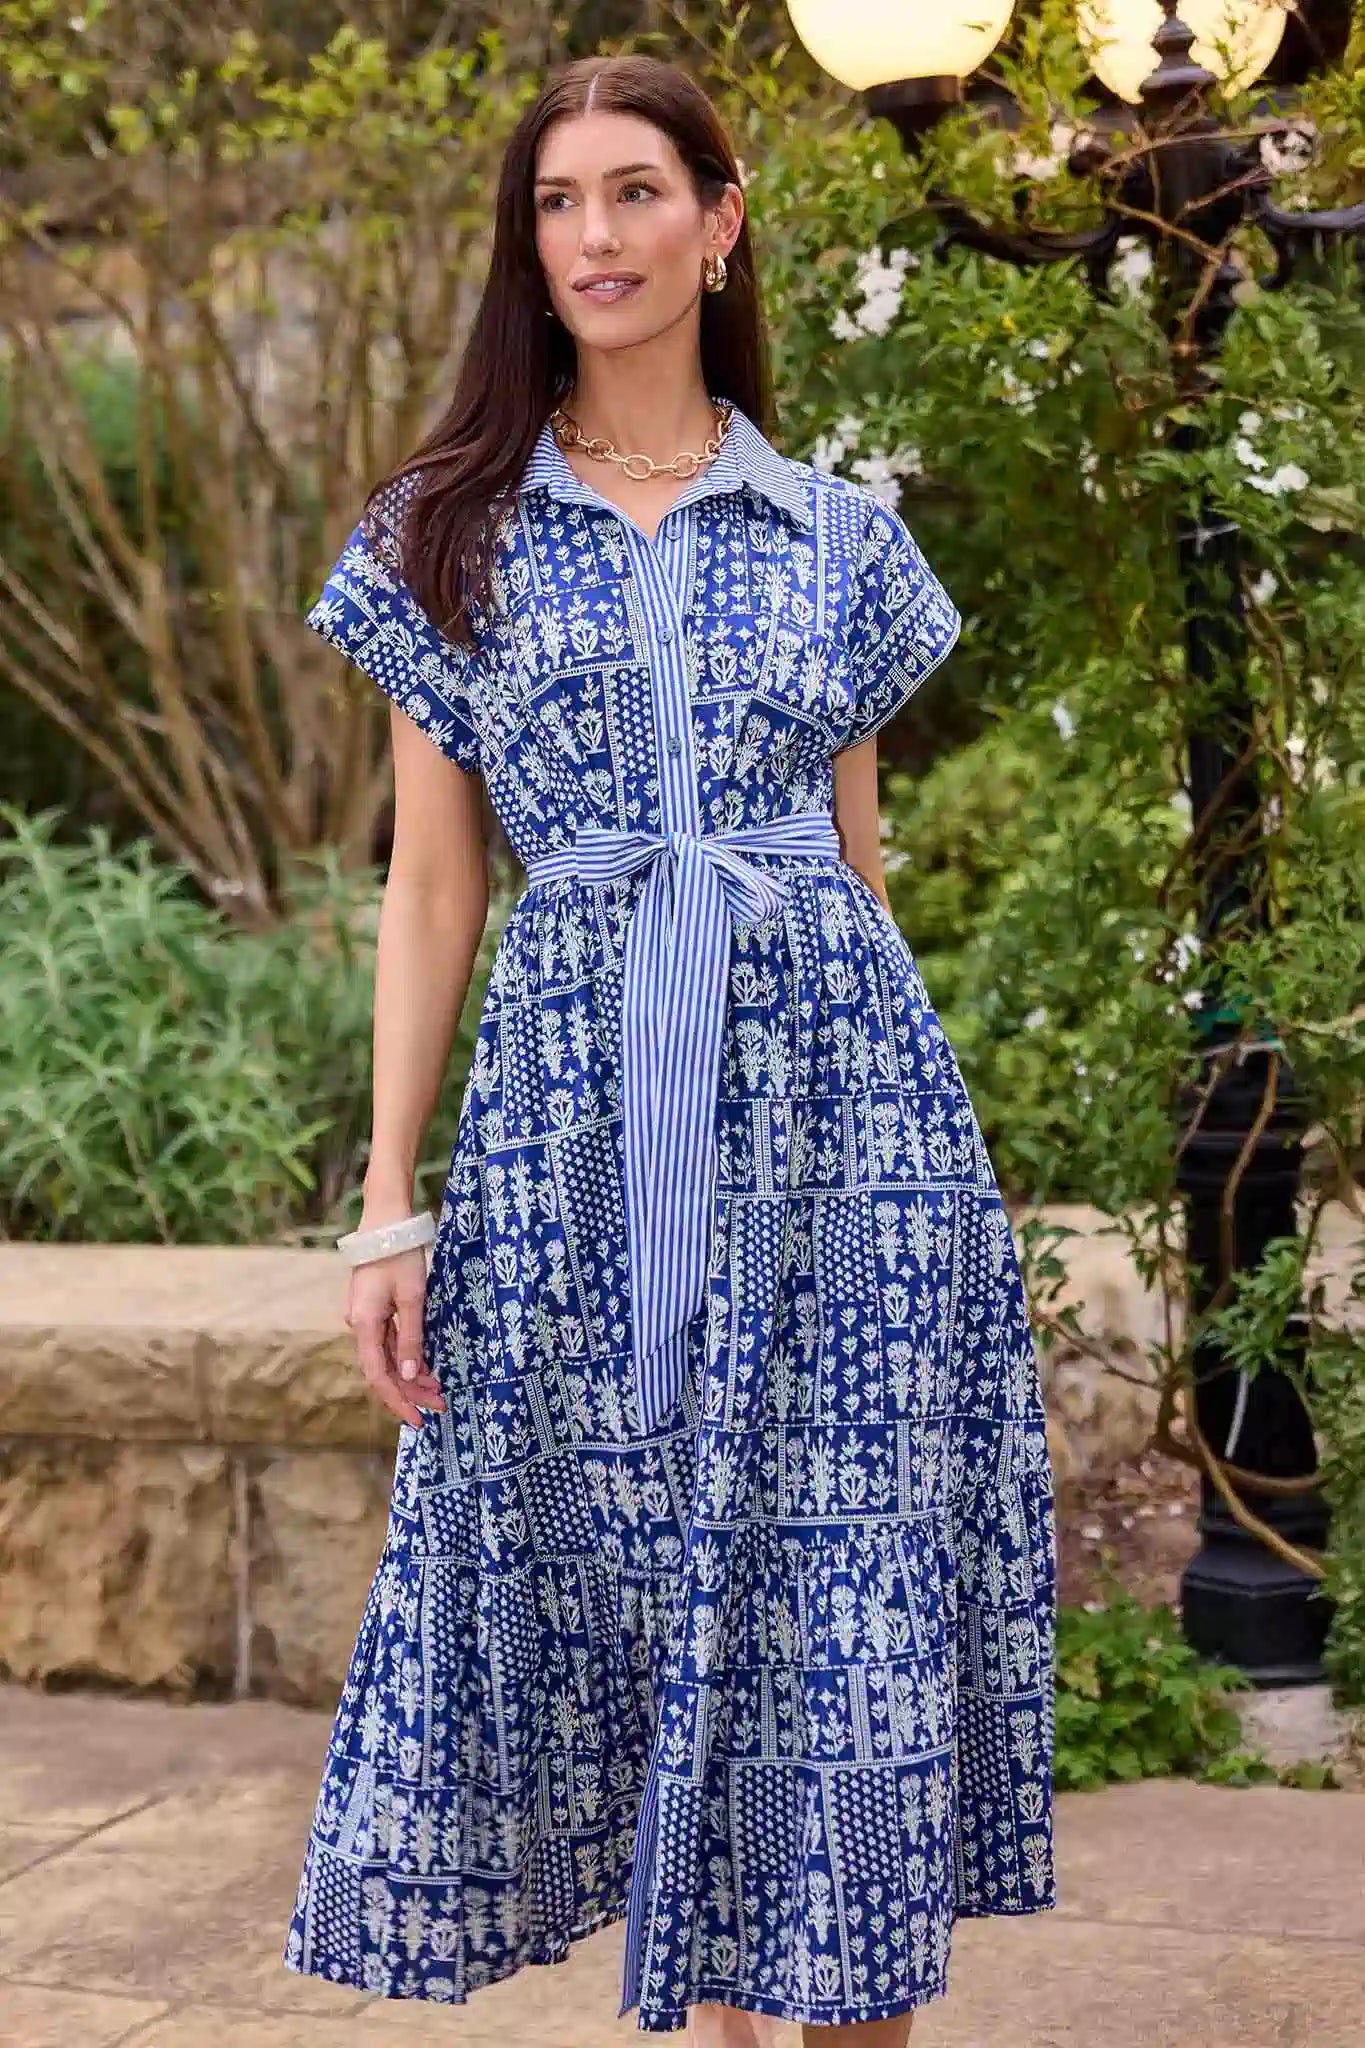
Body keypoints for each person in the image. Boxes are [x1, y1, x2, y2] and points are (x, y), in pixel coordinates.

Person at [282, 49, 1058, 2048]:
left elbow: (855, 875)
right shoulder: (443, 531)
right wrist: (389, 1207)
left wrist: (916, 1197)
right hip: (567, 1128)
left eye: (635, 193)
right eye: (556, 204)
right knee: (623, 1584)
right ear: (524, 250)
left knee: (838, 1613)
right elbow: (433, 891)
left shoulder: (834, 538)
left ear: (720, 225)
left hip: (838, 1140)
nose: (594, 237)